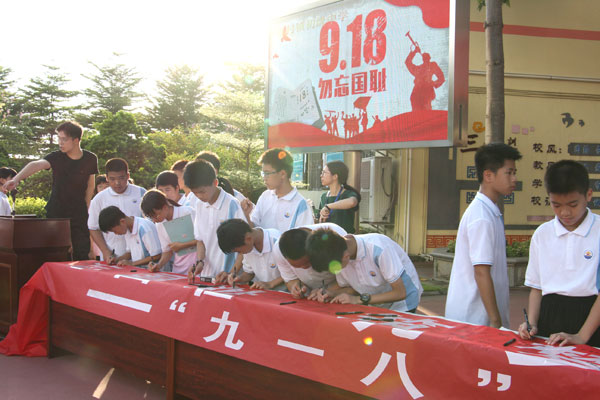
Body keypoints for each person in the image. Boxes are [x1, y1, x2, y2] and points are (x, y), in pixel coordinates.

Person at [518, 160, 600, 347]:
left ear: (588, 195)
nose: (565, 212)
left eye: (573, 204)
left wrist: (581, 336)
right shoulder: (542, 234)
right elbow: (537, 288)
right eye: (556, 205)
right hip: (549, 318)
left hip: (591, 321)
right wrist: (532, 323)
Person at [445, 143, 522, 328]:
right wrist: (495, 321)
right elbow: (481, 271)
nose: (514, 179)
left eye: (515, 173)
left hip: (479, 318)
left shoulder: (489, 211)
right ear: (488, 175)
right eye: (509, 173)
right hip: (474, 319)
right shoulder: (481, 217)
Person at [2, 121, 98, 260]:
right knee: (57, 253)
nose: (60, 143)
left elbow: (90, 185)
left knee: (81, 251)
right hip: (56, 212)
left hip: (79, 212)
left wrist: (86, 206)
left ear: (76, 140)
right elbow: (36, 164)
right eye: (59, 138)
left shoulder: (90, 158)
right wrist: (16, 179)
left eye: (64, 139)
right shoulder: (56, 157)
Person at [306, 229, 423, 312]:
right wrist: (331, 293)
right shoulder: (337, 253)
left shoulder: (379, 248)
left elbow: (400, 293)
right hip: (375, 303)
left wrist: (357, 300)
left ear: (346, 257)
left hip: (403, 304)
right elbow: (353, 289)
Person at [184, 160, 246, 282]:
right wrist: (200, 262)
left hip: (228, 279)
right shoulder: (199, 205)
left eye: (202, 191)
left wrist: (231, 272)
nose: (199, 196)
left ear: (215, 182)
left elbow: (245, 245)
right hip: (207, 277)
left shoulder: (231, 205)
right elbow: (200, 240)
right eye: (195, 193)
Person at [88, 158, 146, 262]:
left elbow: (150, 223)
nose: (117, 183)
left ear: (128, 176)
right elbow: (93, 228)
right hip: (112, 257)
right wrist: (106, 252)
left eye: (121, 178)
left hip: (140, 258)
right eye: (112, 179)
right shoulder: (99, 199)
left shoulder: (141, 193)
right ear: (107, 178)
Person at [246, 148, 313, 231]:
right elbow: (253, 230)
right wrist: (246, 214)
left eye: (267, 173)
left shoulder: (301, 205)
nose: (264, 178)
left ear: (282, 174)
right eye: (263, 173)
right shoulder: (265, 196)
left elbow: (304, 236)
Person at [275, 222, 347, 299]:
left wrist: (327, 291)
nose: (304, 267)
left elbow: (349, 278)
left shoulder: (333, 238)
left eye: (308, 262)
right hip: (311, 295)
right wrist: (295, 287)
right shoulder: (278, 250)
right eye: (297, 266)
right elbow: (290, 279)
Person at [216, 218, 285, 290]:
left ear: (248, 239)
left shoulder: (278, 241)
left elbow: (292, 271)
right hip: (264, 292)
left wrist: (270, 284)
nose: (240, 254)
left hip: (285, 293)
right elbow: (249, 273)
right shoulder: (248, 245)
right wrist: (239, 278)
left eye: (239, 251)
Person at [141, 189, 197, 274]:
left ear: (165, 207)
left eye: (156, 216)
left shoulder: (187, 212)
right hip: (178, 269)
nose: (154, 220)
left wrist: (182, 245)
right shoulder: (160, 224)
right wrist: (158, 265)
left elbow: (204, 239)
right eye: (151, 218)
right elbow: (167, 251)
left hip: (198, 267)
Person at [319, 161, 361, 233]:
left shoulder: (347, 194)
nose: (321, 175)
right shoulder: (324, 196)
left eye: (324, 173)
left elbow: (352, 202)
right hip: (328, 238)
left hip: (345, 238)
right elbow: (320, 222)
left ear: (335, 176)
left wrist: (328, 206)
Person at [405, 46, 445, 111]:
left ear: (429, 58)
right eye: (424, 58)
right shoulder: (418, 69)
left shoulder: (432, 66)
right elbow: (408, 62)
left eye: (427, 58)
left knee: (426, 110)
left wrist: (433, 83)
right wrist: (414, 52)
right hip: (416, 93)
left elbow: (441, 78)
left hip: (427, 91)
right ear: (423, 59)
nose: (425, 59)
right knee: (416, 111)